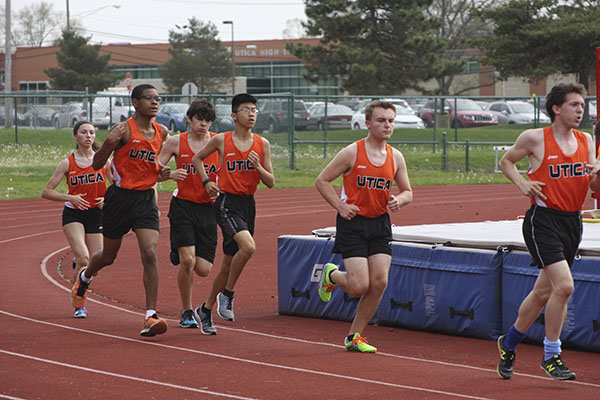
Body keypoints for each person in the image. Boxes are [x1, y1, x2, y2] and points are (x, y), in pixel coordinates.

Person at [496, 83, 600, 380]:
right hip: (542, 220)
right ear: (557, 109)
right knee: (564, 287)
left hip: (572, 222)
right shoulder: (535, 138)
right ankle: (552, 356)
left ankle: (509, 342)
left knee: (543, 291)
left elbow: (593, 187)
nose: (581, 110)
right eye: (574, 105)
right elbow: (506, 161)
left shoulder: (587, 140)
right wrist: (522, 183)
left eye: (583, 105)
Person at [70, 84, 171, 337]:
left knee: (149, 252)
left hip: (145, 199)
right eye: (149, 98)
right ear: (136, 102)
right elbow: (96, 164)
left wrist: (162, 172)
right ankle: (84, 278)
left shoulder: (163, 131)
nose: (155, 102)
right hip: (119, 199)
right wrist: (109, 144)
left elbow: (153, 163)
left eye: (158, 98)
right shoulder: (123, 130)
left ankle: (150, 315)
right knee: (108, 257)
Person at [315, 100, 413, 353]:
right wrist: (340, 206)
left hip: (380, 223)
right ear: (368, 123)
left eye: (391, 120)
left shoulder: (396, 156)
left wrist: (398, 200)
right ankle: (332, 275)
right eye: (381, 120)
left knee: (379, 282)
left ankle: (354, 337)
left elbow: (408, 192)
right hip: (353, 222)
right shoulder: (352, 152)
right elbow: (323, 180)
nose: (387, 125)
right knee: (359, 286)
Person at [191, 93, 274, 331]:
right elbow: (197, 159)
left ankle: (205, 310)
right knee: (248, 247)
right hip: (226, 203)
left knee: (227, 264)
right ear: (234, 115)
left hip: (248, 205)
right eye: (247, 110)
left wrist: (257, 166)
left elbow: (270, 182)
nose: (252, 114)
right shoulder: (222, 140)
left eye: (254, 110)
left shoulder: (262, 143)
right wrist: (207, 181)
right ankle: (227, 294)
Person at [158, 99, 220, 334]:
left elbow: (225, 174)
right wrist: (170, 174)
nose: (203, 124)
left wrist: (219, 189)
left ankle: (179, 250)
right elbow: (151, 173)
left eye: (207, 120)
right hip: (183, 207)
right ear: (189, 120)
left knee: (203, 269)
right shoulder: (175, 142)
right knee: (188, 261)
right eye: (199, 120)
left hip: (208, 210)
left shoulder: (217, 143)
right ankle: (186, 311)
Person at [42, 121, 112, 318]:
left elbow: (118, 188)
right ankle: (79, 303)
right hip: (74, 213)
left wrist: (107, 200)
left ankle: (80, 269)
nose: (89, 136)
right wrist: (70, 197)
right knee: (84, 258)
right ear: (76, 137)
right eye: (84, 132)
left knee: (95, 266)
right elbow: (46, 192)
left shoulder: (104, 162)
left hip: (96, 214)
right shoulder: (67, 163)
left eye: (91, 132)